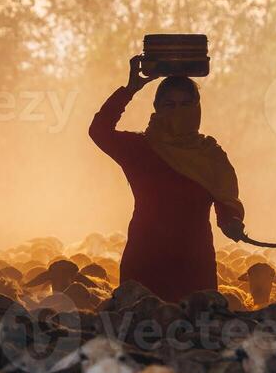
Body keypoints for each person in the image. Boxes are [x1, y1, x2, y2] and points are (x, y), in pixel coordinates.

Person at [90, 55, 246, 302]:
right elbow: (99, 130)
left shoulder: (210, 156)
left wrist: (232, 221)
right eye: (169, 105)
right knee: (139, 333)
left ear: (197, 108)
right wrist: (130, 89)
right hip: (145, 262)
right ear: (157, 108)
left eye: (186, 105)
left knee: (196, 335)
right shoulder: (140, 150)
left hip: (194, 266)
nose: (178, 112)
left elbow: (226, 203)